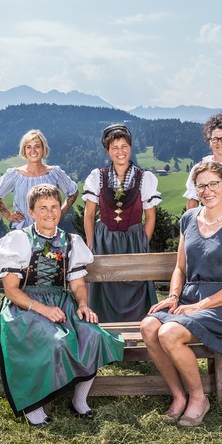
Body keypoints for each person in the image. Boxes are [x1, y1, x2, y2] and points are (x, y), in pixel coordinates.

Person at [0, 184, 125, 426]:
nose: (49, 212)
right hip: (25, 306)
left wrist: (83, 304)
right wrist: (42, 309)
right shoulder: (18, 241)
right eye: (42, 208)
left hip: (61, 301)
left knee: (94, 336)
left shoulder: (71, 242)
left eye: (54, 207)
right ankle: (33, 405)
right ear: (31, 212)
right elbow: (11, 290)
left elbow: (76, 284)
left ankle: (80, 400)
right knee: (56, 341)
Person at [141, 161, 222, 427]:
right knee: (148, 327)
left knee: (169, 333)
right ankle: (179, 396)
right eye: (201, 185)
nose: (207, 190)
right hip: (188, 299)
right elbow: (180, 267)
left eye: (214, 183)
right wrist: (174, 297)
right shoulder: (189, 218)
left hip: (221, 304)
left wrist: (201, 305)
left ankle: (199, 398)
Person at [81, 123, 162, 322]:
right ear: (108, 151)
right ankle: (105, 337)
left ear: (131, 148)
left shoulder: (144, 178)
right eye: (114, 147)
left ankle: (133, 337)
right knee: (103, 287)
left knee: (133, 287)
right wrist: (91, 245)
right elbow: (89, 214)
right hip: (104, 240)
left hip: (133, 240)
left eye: (124, 146)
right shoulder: (97, 177)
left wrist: (142, 241)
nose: (120, 151)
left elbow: (150, 216)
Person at [0, 129, 78, 232]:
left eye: (37, 146)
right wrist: (8, 215)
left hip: (49, 231)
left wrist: (60, 213)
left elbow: (73, 192)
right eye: (28, 147)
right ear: (24, 150)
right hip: (22, 232)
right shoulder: (15, 175)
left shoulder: (54, 173)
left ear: (43, 148)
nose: (33, 151)